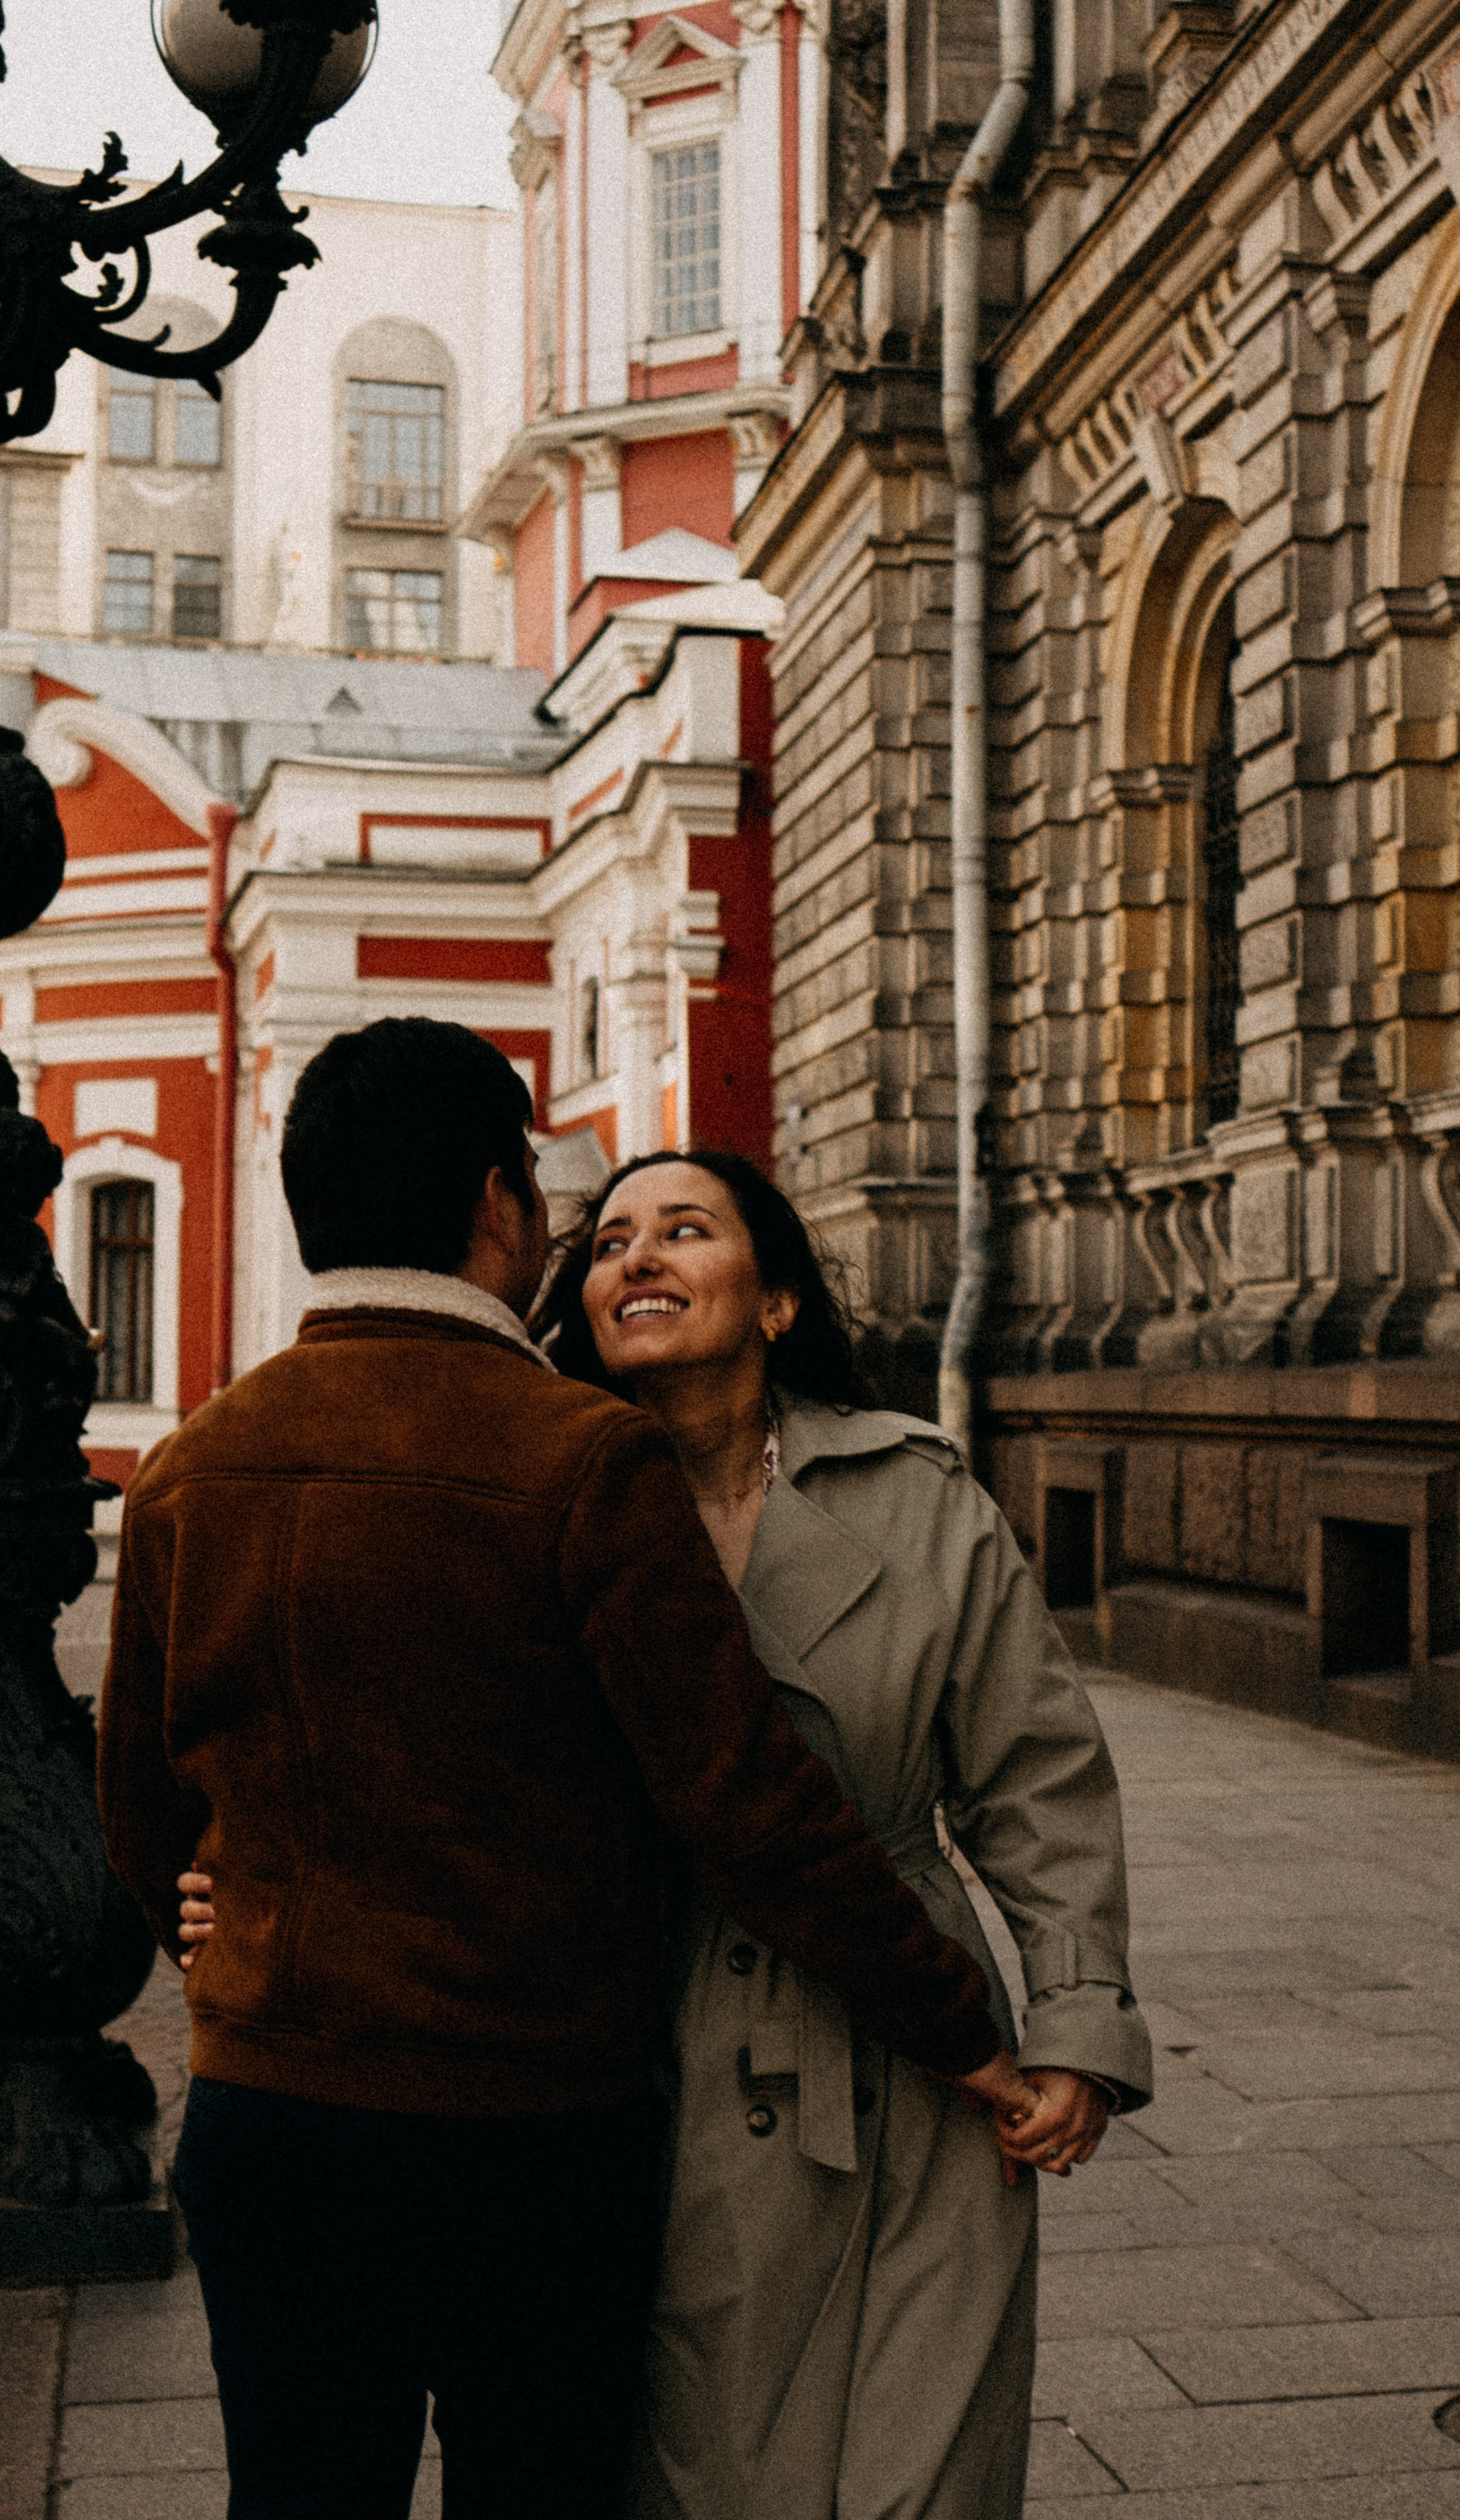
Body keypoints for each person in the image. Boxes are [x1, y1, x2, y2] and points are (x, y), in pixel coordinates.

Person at [99, 1018, 1025, 2520]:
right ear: (493, 1206)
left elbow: (141, 1810)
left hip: (274, 2115)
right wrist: (955, 2022)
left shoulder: (192, 1465)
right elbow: (743, 1798)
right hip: (524, 2139)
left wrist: (210, 1928)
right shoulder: (582, 1458)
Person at [541, 1148, 1154, 2520]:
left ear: (773, 1303)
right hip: (647, 2055)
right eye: (608, 1243)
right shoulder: (539, 1505)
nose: (635, 1258)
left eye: (683, 1231)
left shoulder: (915, 1497)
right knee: (695, 2473)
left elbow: (1035, 1775)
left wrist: (1075, 2020)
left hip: (916, 2049)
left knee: (919, 2471)